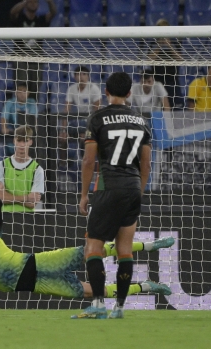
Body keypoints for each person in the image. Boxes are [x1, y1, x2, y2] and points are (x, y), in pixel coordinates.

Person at [0, 167, 173, 310]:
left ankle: (148, 245)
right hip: (39, 285)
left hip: (39, 262)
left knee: (92, 251)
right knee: (90, 292)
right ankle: (145, 286)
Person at [77, 72, 152, 319]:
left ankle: (98, 303)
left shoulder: (98, 118)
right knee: (125, 250)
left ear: (106, 92)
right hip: (132, 188)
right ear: (130, 93)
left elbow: (89, 160)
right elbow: (146, 164)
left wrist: (84, 195)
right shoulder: (141, 120)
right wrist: (138, 191)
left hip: (108, 186)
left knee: (93, 248)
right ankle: (119, 307)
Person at [10, 0, 57, 97]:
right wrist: (25, 1)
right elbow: (13, 12)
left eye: (35, 2)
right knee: (21, 85)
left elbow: (53, 13)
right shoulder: (19, 18)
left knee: (35, 87)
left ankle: (33, 110)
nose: (33, 3)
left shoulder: (41, 19)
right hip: (20, 56)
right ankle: (20, 109)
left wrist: (49, 2)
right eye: (31, 2)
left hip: (36, 56)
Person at [0, 125, 44, 212]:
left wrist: (6, 196)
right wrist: (26, 197)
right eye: (19, 140)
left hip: (27, 220)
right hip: (4, 219)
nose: (21, 145)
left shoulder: (37, 169)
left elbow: (32, 203)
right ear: (14, 141)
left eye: (25, 141)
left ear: (31, 142)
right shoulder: (2, 165)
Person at [147, 18, 182, 108]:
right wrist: (159, 46)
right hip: (157, 82)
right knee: (158, 109)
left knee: (176, 110)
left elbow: (180, 60)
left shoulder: (175, 43)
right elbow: (149, 60)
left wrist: (169, 46)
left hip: (172, 81)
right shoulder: (152, 44)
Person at [1, 82, 37, 155]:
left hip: (27, 134)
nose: (22, 94)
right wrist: (4, 127)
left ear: (28, 93)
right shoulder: (10, 102)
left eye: (24, 91)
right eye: (19, 91)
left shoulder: (32, 103)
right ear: (16, 93)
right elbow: (4, 116)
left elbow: (34, 119)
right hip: (13, 134)